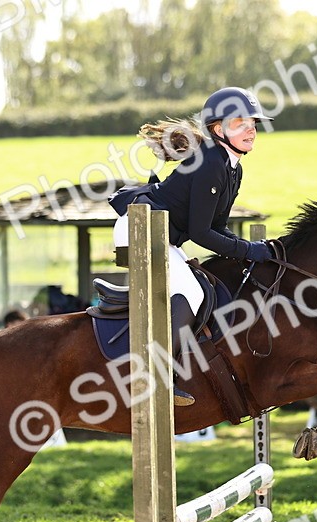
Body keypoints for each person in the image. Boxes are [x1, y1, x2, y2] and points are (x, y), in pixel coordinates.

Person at [108, 86, 274, 406]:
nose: (251, 129)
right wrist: (247, 250)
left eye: (252, 123)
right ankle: (156, 377)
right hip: (139, 229)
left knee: (204, 287)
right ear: (218, 130)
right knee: (192, 292)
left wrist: (247, 247)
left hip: (161, 234)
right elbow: (200, 233)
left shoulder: (233, 168)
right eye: (240, 123)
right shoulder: (210, 162)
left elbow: (217, 226)